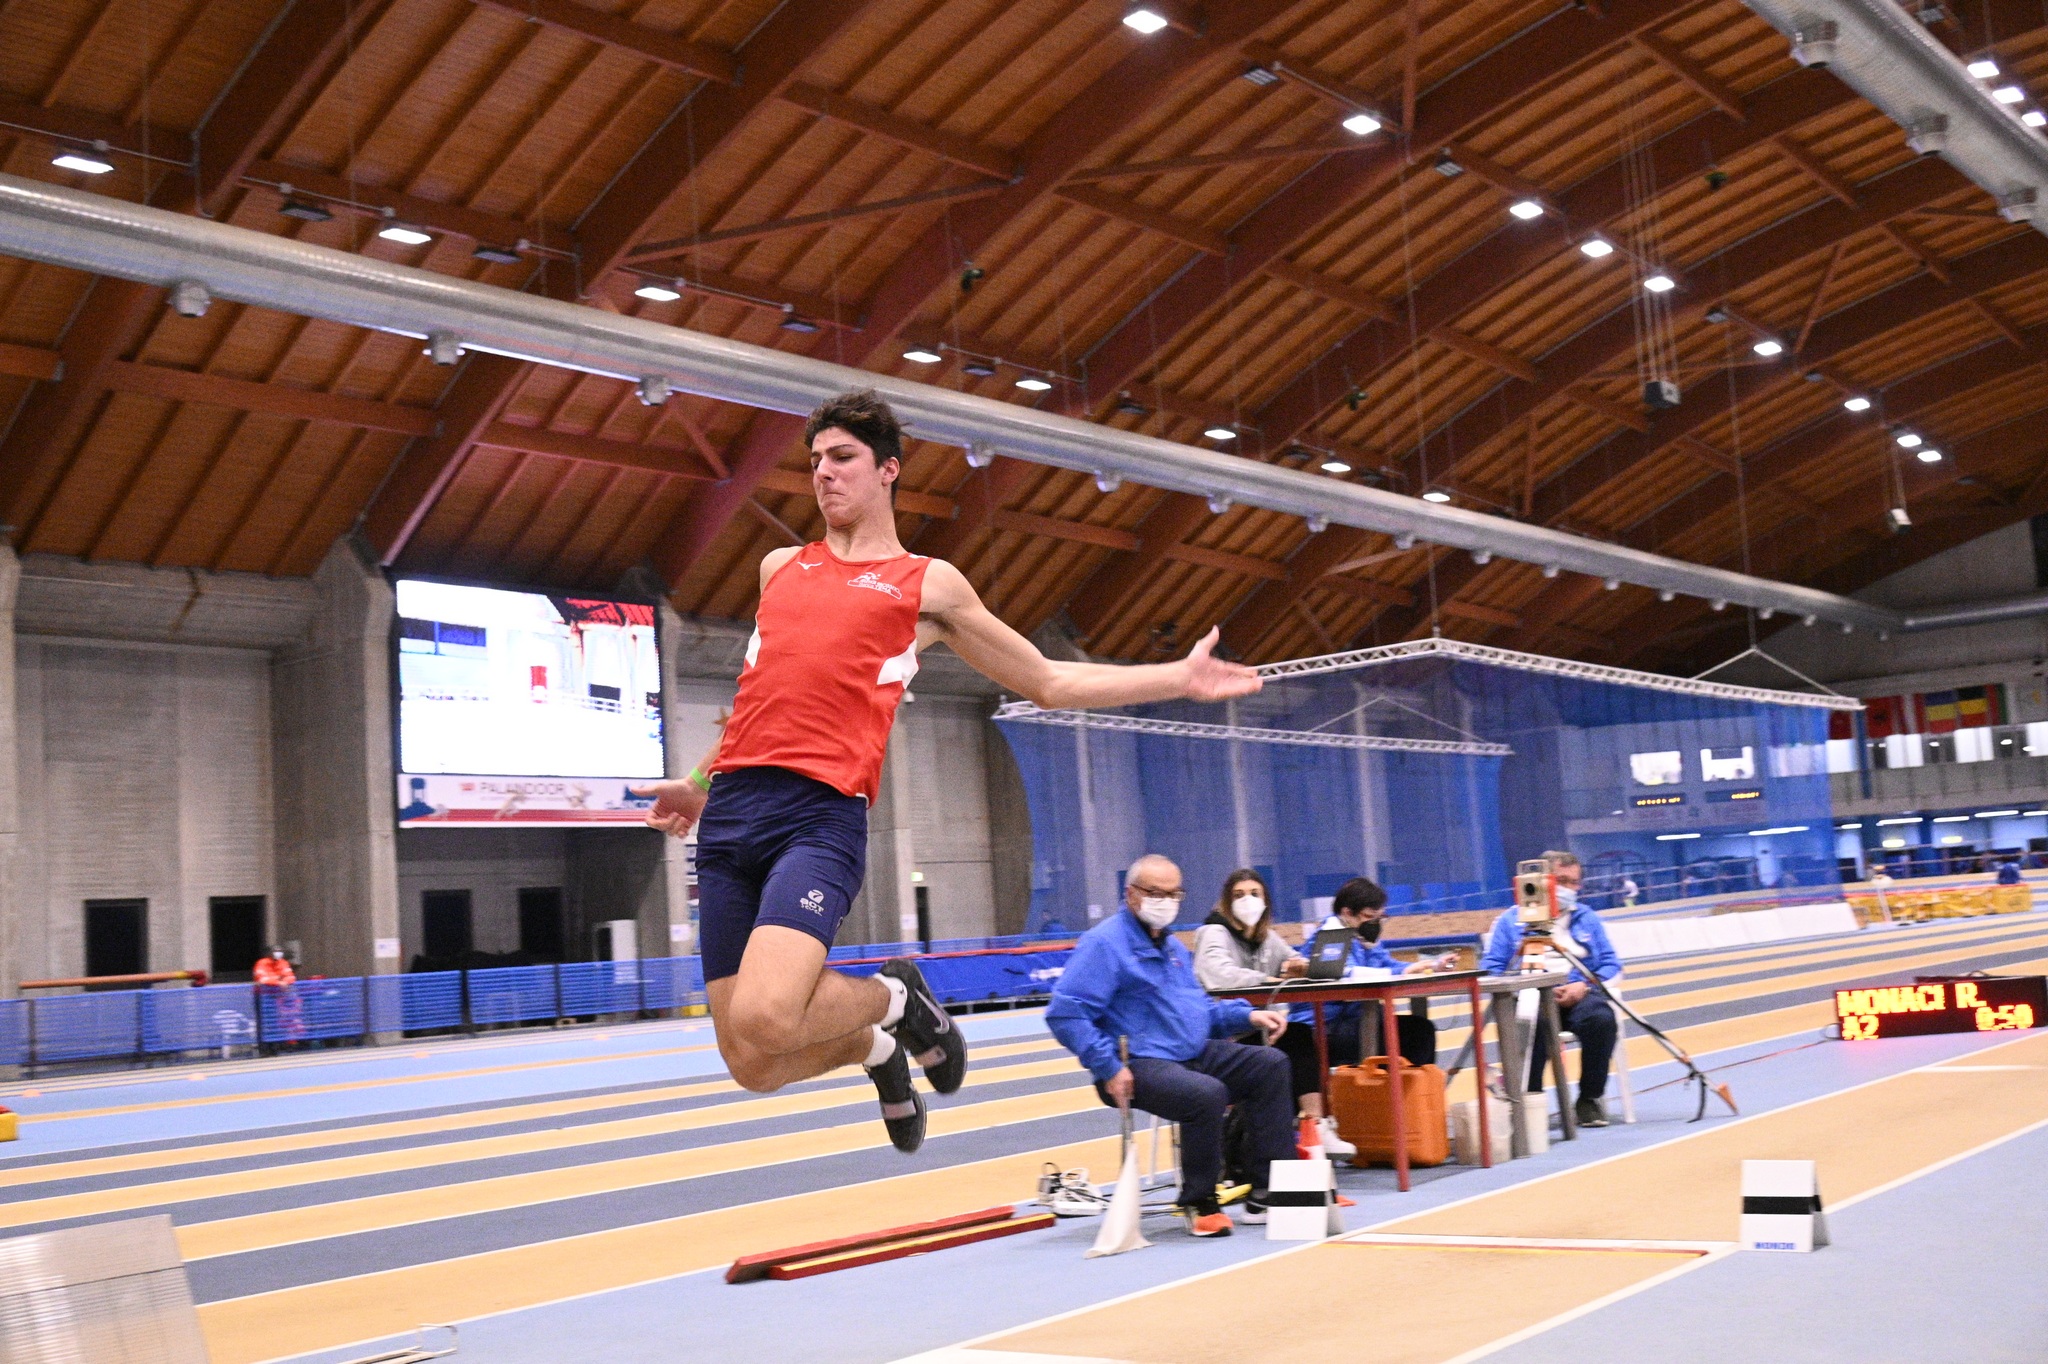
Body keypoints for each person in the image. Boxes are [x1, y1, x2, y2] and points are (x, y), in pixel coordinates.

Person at [633, 391, 1261, 1156]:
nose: (823, 476)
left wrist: (1176, 678)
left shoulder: (927, 584)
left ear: (888, 469)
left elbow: (1047, 681)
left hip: (817, 813)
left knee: (768, 1013)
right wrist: (695, 784)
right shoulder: (779, 568)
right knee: (751, 1061)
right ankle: (877, 1049)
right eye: (815, 462)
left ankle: (899, 996)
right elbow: (756, 703)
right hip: (733, 811)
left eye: (842, 459)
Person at [1046, 855, 1295, 1237]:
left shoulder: (1174, 949)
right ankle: (1199, 1200)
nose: (1165, 901)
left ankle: (1269, 1190)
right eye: (1154, 893)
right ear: (1131, 895)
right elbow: (1065, 1013)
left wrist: (1247, 1017)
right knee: (1206, 1094)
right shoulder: (1104, 944)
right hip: (1137, 1063)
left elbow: (1198, 1014)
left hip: (1191, 1054)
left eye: (1173, 893)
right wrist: (1107, 1067)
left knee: (1270, 1064)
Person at [1279, 878, 1453, 1154]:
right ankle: (1385, 1120)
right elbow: (1348, 975)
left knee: (1419, 1029)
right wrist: (1396, 972)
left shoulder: (1362, 938)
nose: (1374, 923)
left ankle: (1413, 1116)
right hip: (1323, 1027)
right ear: (1347, 913)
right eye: (1368, 917)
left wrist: (1427, 966)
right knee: (1402, 1033)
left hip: (1355, 1021)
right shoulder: (1328, 938)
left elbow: (1389, 965)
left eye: (1378, 917)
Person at [1478, 850, 1621, 1128]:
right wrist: (1522, 985)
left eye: (1573, 882)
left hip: (1579, 995)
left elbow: (1611, 964)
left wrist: (1585, 985)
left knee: (1602, 1020)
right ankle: (1528, 1101)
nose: (1568, 889)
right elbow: (1492, 967)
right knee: (1534, 1023)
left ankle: (1589, 1099)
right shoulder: (1510, 921)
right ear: (1542, 881)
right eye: (1561, 881)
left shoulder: (1587, 918)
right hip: (1531, 998)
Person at [1191, 868, 1303, 990]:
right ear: (1227, 902)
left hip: (1263, 1008)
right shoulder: (1213, 932)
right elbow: (1220, 974)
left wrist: (1300, 968)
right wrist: (1264, 980)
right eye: (1238, 895)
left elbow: (1295, 960)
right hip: (1222, 1007)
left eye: (1255, 894)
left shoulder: (1268, 937)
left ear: (1265, 900)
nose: (1247, 900)